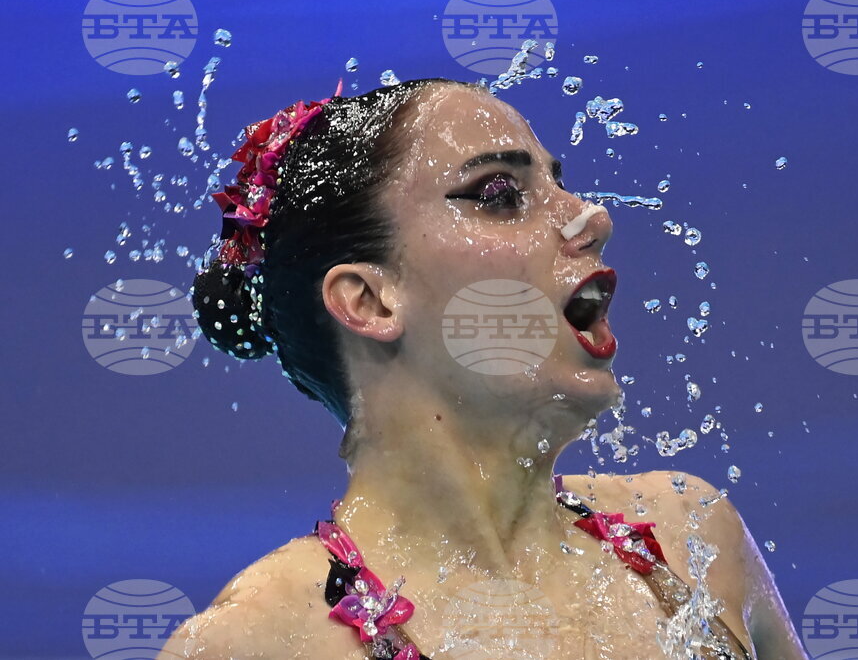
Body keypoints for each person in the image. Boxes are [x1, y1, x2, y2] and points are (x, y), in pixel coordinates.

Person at [160, 77, 807, 659]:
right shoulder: (268, 639)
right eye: (499, 194)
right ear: (370, 301)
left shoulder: (690, 534)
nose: (592, 217)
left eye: (557, 183)